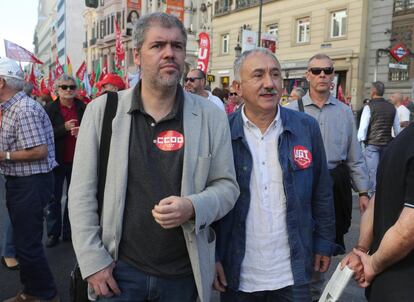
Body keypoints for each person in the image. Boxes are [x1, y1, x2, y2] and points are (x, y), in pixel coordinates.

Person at [68, 12, 239, 302]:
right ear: (138, 54)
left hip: (184, 276)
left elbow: (227, 186)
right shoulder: (102, 111)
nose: (169, 53)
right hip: (118, 273)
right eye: (158, 45)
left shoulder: (211, 115)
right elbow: (81, 193)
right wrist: (93, 262)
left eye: (177, 46)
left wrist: (193, 206)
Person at [214, 48, 337, 301]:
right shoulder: (221, 132)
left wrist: (324, 241)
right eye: (258, 75)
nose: (269, 83)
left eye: (275, 75)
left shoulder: (306, 127)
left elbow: (322, 191)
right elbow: (212, 199)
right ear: (237, 86)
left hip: (293, 273)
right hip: (238, 274)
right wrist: (213, 256)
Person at [286, 53, 369, 300]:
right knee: (296, 239)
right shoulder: (289, 111)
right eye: (316, 70)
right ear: (307, 75)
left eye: (328, 70)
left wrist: (364, 192)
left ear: (333, 75)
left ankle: (312, 292)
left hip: (333, 187)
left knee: (323, 244)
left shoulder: (344, 112)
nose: (322, 74)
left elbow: (355, 157)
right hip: (300, 183)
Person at [0, 58, 59, 301]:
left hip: (31, 184)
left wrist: (4, 155)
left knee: (28, 245)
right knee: (25, 244)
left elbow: (39, 150)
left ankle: (45, 294)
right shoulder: (12, 108)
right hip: (21, 182)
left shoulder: (23, 109)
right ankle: (31, 292)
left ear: (1, 82)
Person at [341, 123, 414, 301]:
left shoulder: (402, 139)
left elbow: (376, 200)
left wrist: (362, 250)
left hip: (385, 283)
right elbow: (408, 230)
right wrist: (372, 264)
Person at [44, 75, 86, 248]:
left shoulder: (83, 107)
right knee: (54, 198)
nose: (68, 90)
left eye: (71, 87)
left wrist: (82, 130)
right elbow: (44, 135)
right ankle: (54, 233)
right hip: (57, 160)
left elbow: (94, 130)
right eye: (64, 87)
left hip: (79, 160)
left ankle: (69, 233)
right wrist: (64, 129)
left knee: (74, 199)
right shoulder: (49, 109)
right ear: (57, 89)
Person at [358, 81, 400, 194]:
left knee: (372, 172)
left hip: (372, 144)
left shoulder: (369, 107)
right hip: (387, 144)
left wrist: (360, 143)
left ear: (373, 92)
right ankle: (385, 193)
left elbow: (363, 128)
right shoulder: (392, 107)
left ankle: (374, 195)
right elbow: (397, 130)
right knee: (385, 171)